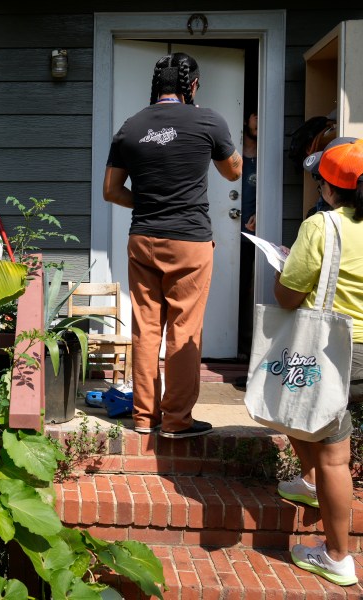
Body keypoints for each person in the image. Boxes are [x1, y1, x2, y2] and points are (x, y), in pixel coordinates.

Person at [102, 52, 242, 438]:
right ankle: (178, 421)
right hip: (189, 241)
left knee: (146, 329)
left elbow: (111, 191)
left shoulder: (130, 127)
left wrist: (147, 202)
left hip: (143, 238)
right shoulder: (209, 120)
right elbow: (233, 172)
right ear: (192, 84)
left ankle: (145, 419)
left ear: (156, 85)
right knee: (184, 330)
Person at [274, 137, 363, 586]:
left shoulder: (322, 227)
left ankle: (337, 555)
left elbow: (287, 295)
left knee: (331, 456)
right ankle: (309, 484)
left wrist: (286, 266)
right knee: (297, 408)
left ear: (329, 188)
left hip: (334, 351)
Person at [238, 109, 257, 361]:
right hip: (228, 235)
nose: (258, 121)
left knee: (249, 292)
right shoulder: (233, 156)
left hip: (252, 235)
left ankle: (244, 345)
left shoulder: (264, 158)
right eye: (254, 115)